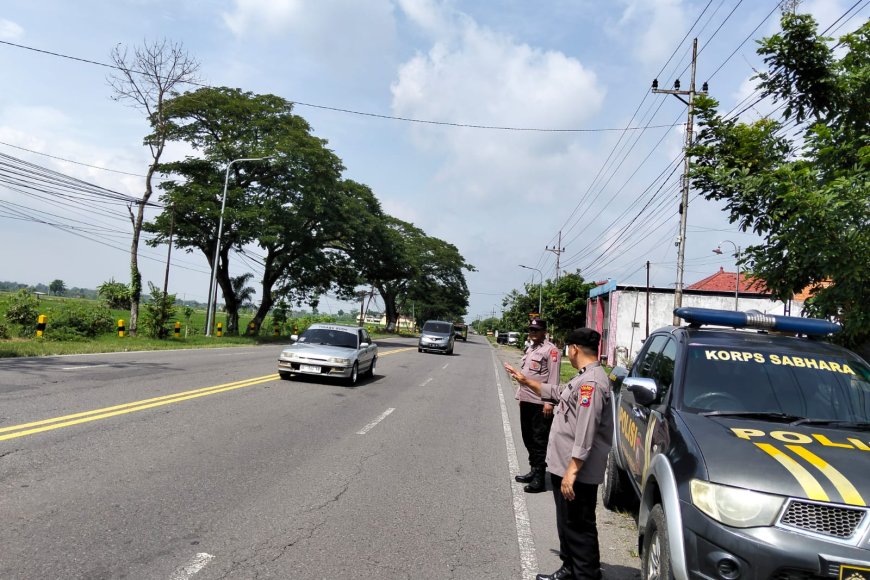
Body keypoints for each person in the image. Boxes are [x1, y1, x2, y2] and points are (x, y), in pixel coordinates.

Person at [504, 327, 611, 580]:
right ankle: (570, 569)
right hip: (565, 467)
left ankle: (585, 574)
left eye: (568, 349)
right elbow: (557, 392)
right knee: (567, 524)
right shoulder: (583, 377)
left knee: (579, 527)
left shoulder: (591, 384)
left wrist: (571, 472)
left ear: (574, 349)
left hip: (577, 472)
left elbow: (586, 433)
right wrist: (525, 380)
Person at [513, 317, 562, 493]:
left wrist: (549, 402)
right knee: (527, 438)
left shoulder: (552, 351)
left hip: (540, 403)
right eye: (531, 330)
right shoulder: (531, 348)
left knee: (539, 441)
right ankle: (533, 470)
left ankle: (540, 479)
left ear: (544, 332)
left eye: (536, 330)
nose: (533, 333)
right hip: (526, 400)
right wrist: (520, 397)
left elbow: (554, 378)